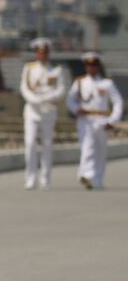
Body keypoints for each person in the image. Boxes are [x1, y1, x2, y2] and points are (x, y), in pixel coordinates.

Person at [66, 52, 122, 189]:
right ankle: (85, 174)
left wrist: (113, 120)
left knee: (101, 151)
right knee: (87, 147)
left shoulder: (106, 83)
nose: (92, 68)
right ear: (86, 67)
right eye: (89, 65)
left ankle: (97, 180)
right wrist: (76, 109)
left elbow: (118, 101)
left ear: (98, 67)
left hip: (102, 119)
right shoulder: (79, 82)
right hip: (85, 119)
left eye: (94, 65)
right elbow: (70, 99)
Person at [20, 37, 66, 189]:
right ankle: (31, 177)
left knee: (47, 144)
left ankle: (45, 178)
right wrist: (34, 99)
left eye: (45, 52)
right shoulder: (29, 68)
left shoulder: (56, 70)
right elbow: (24, 88)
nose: (42, 55)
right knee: (30, 143)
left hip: (48, 110)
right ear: (36, 53)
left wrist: (47, 97)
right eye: (39, 52)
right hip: (33, 110)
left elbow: (61, 90)